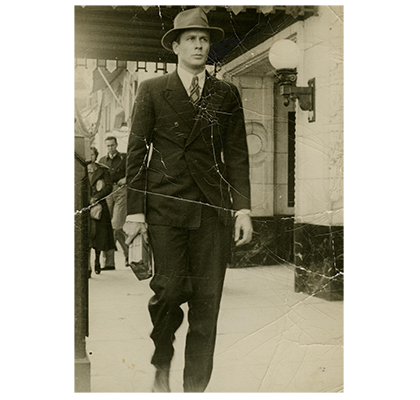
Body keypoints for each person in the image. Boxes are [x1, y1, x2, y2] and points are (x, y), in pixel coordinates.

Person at [124, 7, 253, 393]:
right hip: (165, 209)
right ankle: (162, 357)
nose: (199, 44)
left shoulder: (226, 92)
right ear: (176, 46)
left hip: (212, 213)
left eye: (205, 39)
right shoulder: (152, 90)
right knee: (168, 291)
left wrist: (243, 209)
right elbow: (136, 152)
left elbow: (238, 154)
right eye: (191, 39)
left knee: (207, 304)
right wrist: (135, 212)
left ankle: (194, 388)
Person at [99, 136, 129, 269]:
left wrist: (126, 178)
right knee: (107, 227)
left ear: (116, 145)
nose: (110, 148)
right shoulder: (102, 161)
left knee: (116, 225)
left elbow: (133, 171)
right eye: (108, 146)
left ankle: (128, 255)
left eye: (112, 145)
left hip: (121, 190)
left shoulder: (124, 158)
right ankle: (109, 262)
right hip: (107, 191)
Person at [88, 147, 116, 274]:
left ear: (96, 156)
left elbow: (109, 187)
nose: (91, 157)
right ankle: (87, 265)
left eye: (93, 154)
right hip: (85, 206)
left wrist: (97, 197)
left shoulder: (103, 170)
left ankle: (97, 260)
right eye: (89, 155)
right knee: (87, 236)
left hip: (99, 206)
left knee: (99, 237)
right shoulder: (80, 170)